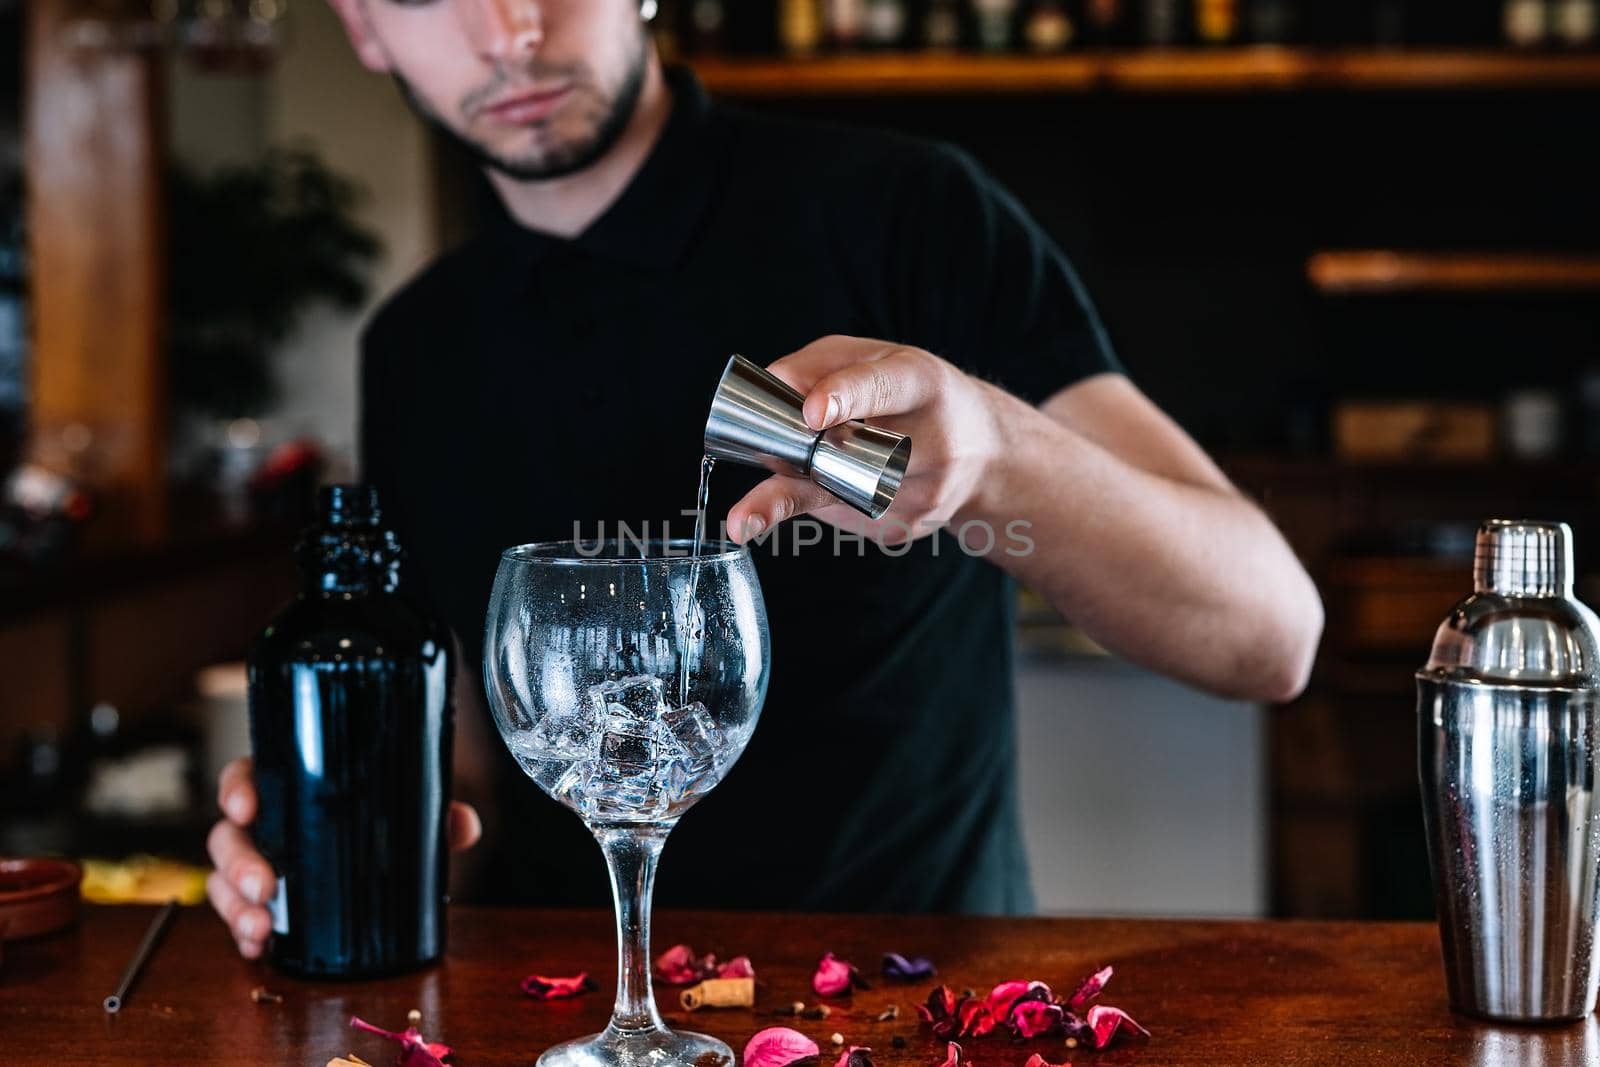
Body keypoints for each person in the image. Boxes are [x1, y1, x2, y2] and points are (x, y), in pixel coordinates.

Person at [206, 0, 1324, 958]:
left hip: (907, 1005)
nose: (506, 33)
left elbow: (1268, 633)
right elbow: (477, 777)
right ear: (361, 25)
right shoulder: (416, 345)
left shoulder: (906, 214)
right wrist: (345, 828)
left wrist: (993, 454)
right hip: (556, 1025)